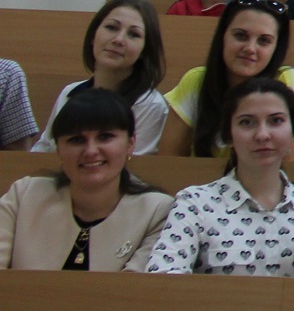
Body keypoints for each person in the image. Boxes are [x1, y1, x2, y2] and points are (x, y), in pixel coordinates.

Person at [140, 77, 294, 277]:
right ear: (228, 135)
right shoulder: (195, 203)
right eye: (247, 122)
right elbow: (163, 280)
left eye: (276, 121)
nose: (262, 135)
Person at [2, 88, 174, 270]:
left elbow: (133, 286)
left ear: (130, 143)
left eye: (105, 137)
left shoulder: (158, 211)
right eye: (76, 140)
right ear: (58, 150)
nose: (91, 151)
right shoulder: (24, 195)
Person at [159, 0, 294, 160]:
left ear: (276, 48)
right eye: (241, 36)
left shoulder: (288, 81)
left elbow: (287, 166)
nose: (250, 48)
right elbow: (168, 163)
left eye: (264, 41)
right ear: (223, 36)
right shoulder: (196, 80)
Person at [30, 0, 167, 153]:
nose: (119, 40)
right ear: (93, 36)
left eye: (133, 34)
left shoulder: (150, 105)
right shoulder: (70, 92)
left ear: (144, 51)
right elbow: (44, 150)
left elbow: (135, 165)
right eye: (111, 27)